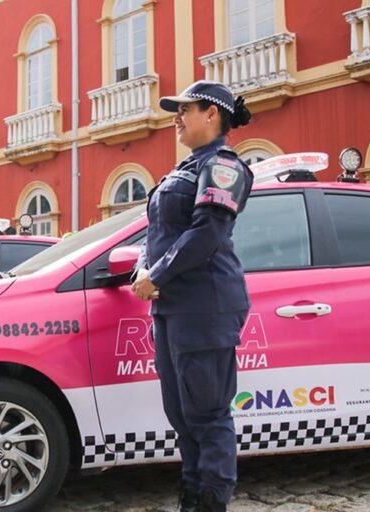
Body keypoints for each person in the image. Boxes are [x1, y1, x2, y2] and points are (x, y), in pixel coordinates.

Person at [130, 80, 253, 512]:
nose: (177, 118)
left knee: (208, 414)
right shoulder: (185, 169)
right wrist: (143, 268)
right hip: (172, 305)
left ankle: (211, 501)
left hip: (206, 305)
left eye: (186, 109)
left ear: (213, 114)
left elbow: (208, 233)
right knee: (182, 415)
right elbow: (158, 231)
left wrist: (157, 273)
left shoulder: (223, 166)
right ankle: (192, 495)